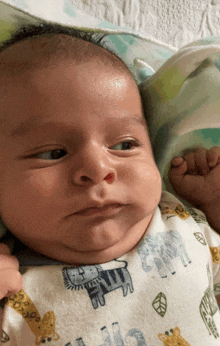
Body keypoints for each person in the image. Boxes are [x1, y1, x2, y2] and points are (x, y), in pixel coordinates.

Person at [0, 23, 220, 346]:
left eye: (124, 145)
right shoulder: (11, 287)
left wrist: (214, 206)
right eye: (52, 153)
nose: (98, 168)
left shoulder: (186, 227)